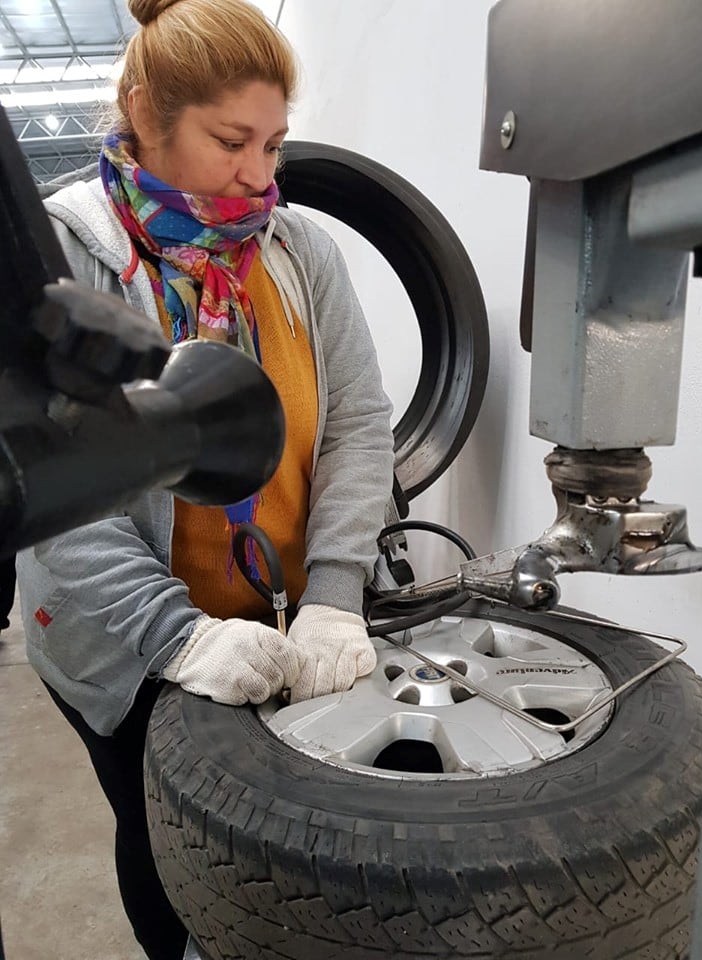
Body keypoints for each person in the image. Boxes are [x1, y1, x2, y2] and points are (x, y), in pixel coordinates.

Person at [15, 1, 395, 957]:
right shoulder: (64, 263)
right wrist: (175, 639)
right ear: (147, 111)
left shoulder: (299, 248)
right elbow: (60, 492)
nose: (260, 176)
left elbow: (355, 422)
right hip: (128, 632)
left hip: (295, 613)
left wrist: (339, 594)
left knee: (314, 837)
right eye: (233, 141)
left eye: (275, 143)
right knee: (167, 847)